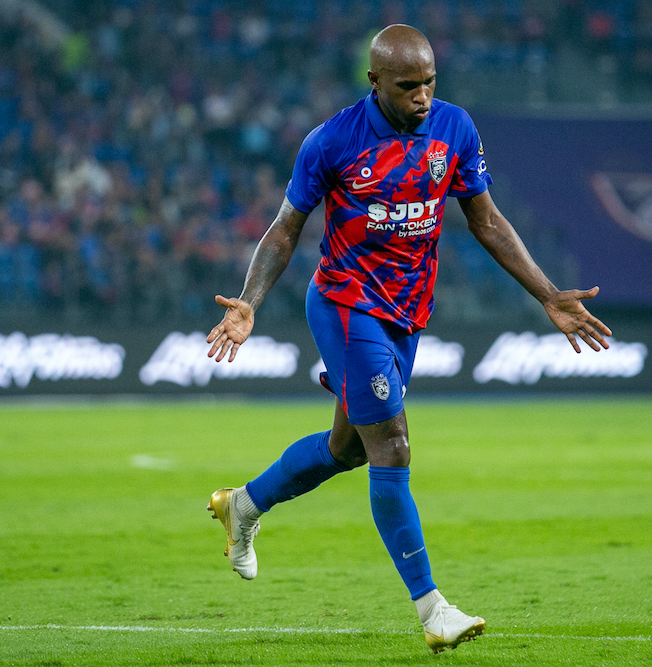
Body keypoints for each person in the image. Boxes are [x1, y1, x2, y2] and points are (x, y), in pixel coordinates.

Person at [204, 24, 612, 654]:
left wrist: (548, 293)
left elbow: (486, 219)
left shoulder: (454, 130)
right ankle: (433, 609)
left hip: (404, 314)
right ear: (375, 82)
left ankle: (245, 505)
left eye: (428, 83)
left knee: (348, 450)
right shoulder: (334, 141)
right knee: (391, 444)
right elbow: (286, 230)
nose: (421, 96)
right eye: (406, 86)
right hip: (344, 303)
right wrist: (249, 304)